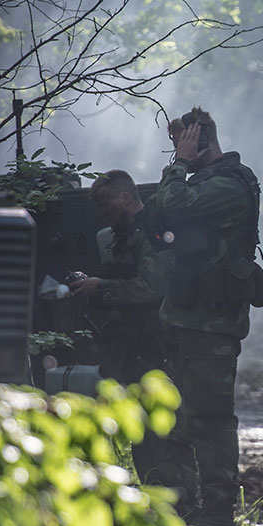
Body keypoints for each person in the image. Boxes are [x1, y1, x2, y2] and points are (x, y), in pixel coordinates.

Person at [151, 106, 263, 526]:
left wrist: (178, 164)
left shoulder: (228, 186)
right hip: (188, 319)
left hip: (211, 326)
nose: (177, 149)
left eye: (183, 139)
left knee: (213, 421)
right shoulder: (204, 182)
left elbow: (175, 207)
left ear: (200, 138)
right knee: (184, 420)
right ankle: (190, 509)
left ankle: (219, 518)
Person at [69, 167, 173, 483]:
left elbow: (152, 288)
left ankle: (179, 506)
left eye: (107, 206)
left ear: (125, 199)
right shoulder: (124, 238)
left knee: (162, 438)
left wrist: (102, 287)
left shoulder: (150, 235)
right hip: (134, 349)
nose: (103, 215)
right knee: (142, 435)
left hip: (157, 349)